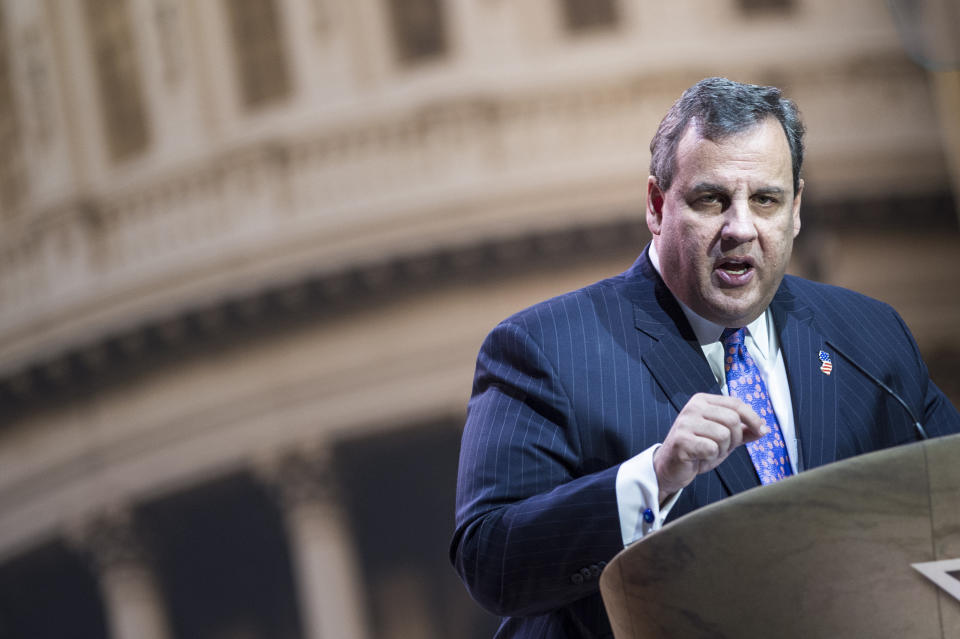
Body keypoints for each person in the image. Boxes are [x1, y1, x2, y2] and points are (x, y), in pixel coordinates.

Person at [449, 77, 960, 638]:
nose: (740, 228)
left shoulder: (866, 334)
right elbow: (491, 561)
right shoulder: (546, 349)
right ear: (655, 205)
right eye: (711, 199)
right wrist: (654, 478)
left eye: (765, 199)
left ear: (795, 211)